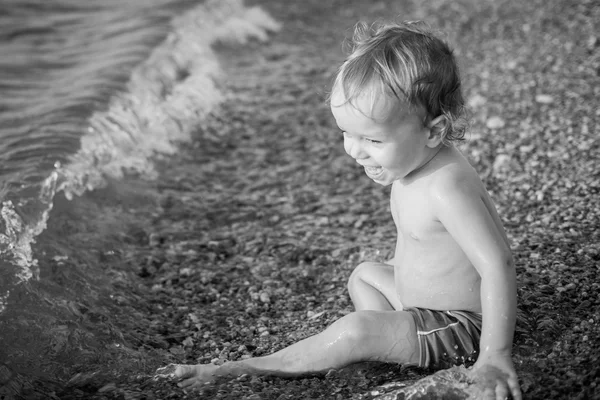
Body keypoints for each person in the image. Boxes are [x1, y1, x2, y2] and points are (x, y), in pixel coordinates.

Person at [168, 21, 522, 400]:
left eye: (371, 139)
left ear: (433, 132)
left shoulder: (445, 186)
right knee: (365, 275)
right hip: (424, 309)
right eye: (345, 133)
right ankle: (384, 346)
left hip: (461, 327)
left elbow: (497, 264)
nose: (354, 150)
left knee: (356, 330)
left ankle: (240, 368)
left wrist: (494, 355)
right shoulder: (415, 165)